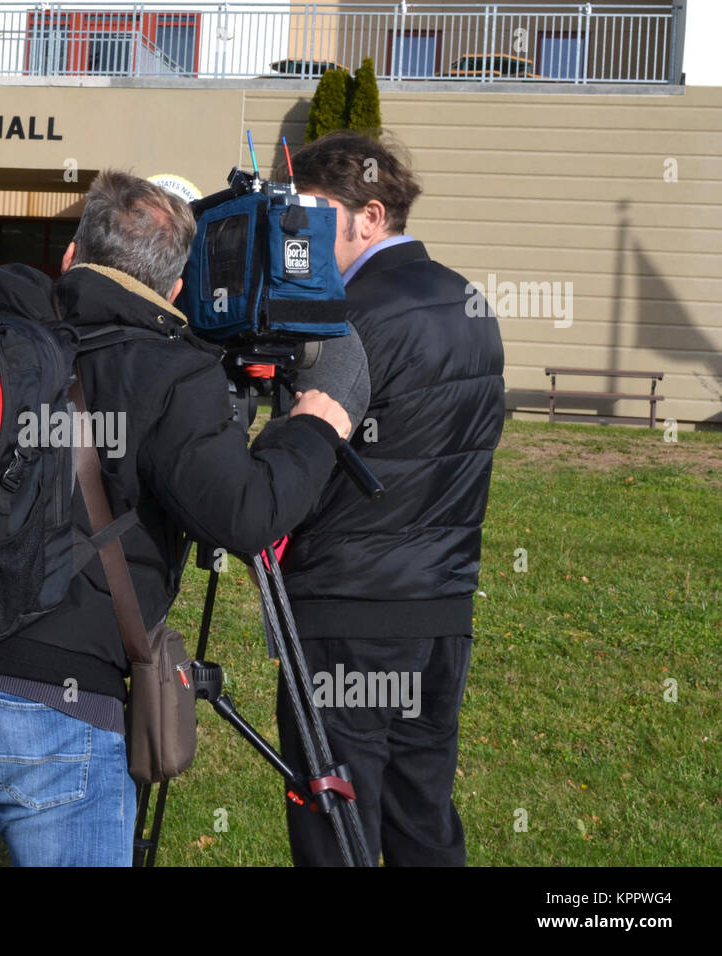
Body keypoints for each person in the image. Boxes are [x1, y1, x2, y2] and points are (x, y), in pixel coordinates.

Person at [0, 169, 353, 867]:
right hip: (57, 700)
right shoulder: (170, 370)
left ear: (71, 258)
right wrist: (316, 428)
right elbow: (246, 514)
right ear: (173, 290)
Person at [275, 131, 505, 866]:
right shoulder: (469, 300)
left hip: (348, 609)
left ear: (370, 216)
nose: (297, 240)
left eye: (311, 218)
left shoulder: (346, 315)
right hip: (441, 608)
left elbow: (300, 462)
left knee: (336, 821)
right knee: (422, 815)